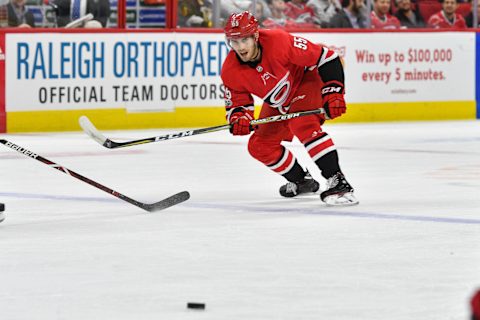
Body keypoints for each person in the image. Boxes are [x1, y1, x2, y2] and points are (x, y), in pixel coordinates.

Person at [221, 11, 358, 206]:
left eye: (244, 40)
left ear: (256, 36)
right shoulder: (230, 71)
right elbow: (237, 104)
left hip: (307, 81)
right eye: (234, 42)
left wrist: (334, 92)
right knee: (259, 146)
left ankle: (338, 181)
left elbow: (327, 57)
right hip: (281, 102)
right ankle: (302, 181)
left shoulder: (278, 41)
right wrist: (239, 119)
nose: (240, 47)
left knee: (302, 123)